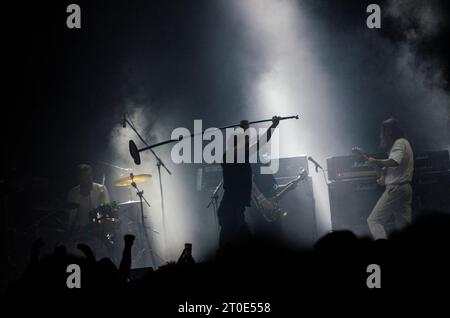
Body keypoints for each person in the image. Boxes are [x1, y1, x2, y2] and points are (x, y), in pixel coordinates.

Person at [217, 116, 280, 249]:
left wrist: (273, 125)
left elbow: (262, 141)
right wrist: (245, 130)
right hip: (230, 210)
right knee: (226, 249)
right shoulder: (228, 156)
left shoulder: (243, 155)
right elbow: (241, 149)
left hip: (238, 211)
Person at [365, 118, 414, 239]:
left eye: (384, 132)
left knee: (374, 220)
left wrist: (377, 161)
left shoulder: (399, 143)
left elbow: (394, 161)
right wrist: (375, 166)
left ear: (390, 132)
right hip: (404, 188)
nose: (382, 136)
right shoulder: (403, 143)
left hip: (396, 189)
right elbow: (383, 178)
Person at [67, 164, 111, 233]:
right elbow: (70, 217)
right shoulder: (73, 193)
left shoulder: (101, 189)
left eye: (88, 176)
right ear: (78, 178)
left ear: (92, 176)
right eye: (83, 177)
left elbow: (107, 211)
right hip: (79, 230)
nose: (86, 180)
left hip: (98, 229)